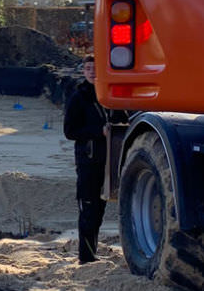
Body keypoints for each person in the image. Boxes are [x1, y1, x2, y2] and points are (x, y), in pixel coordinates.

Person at [64, 55, 126, 264]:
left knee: (99, 210)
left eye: (95, 68)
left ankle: (92, 253)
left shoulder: (110, 96)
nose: (92, 72)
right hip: (88, 162)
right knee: (88, 210)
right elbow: (70, 131)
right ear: (84, 72)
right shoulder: (78, 97)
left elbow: (121, 120)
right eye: (88, 68)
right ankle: (86, 257)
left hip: (109, 162)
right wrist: (98, 131)